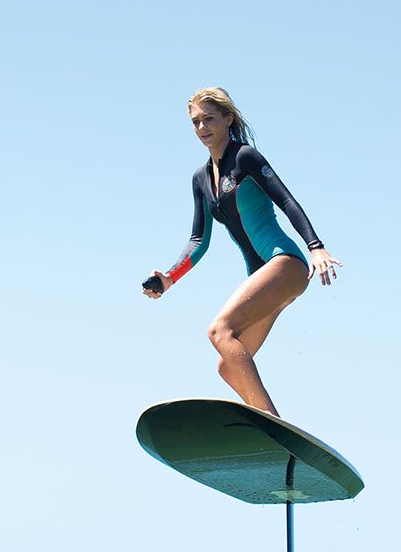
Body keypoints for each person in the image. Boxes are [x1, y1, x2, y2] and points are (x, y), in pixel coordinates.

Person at [142, 87, 340, 416]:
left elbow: (287, 200)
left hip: (285, 263)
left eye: (209, 119)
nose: (202, 128)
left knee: (219, 331)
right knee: (228, 367)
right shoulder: (201, 179)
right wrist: (169, 278)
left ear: (227, 119)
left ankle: (272, 422)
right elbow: (198, 240)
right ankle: (270, 429)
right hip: (263, 277)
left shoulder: (245, 157)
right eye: (195, 122)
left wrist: (315, 247)